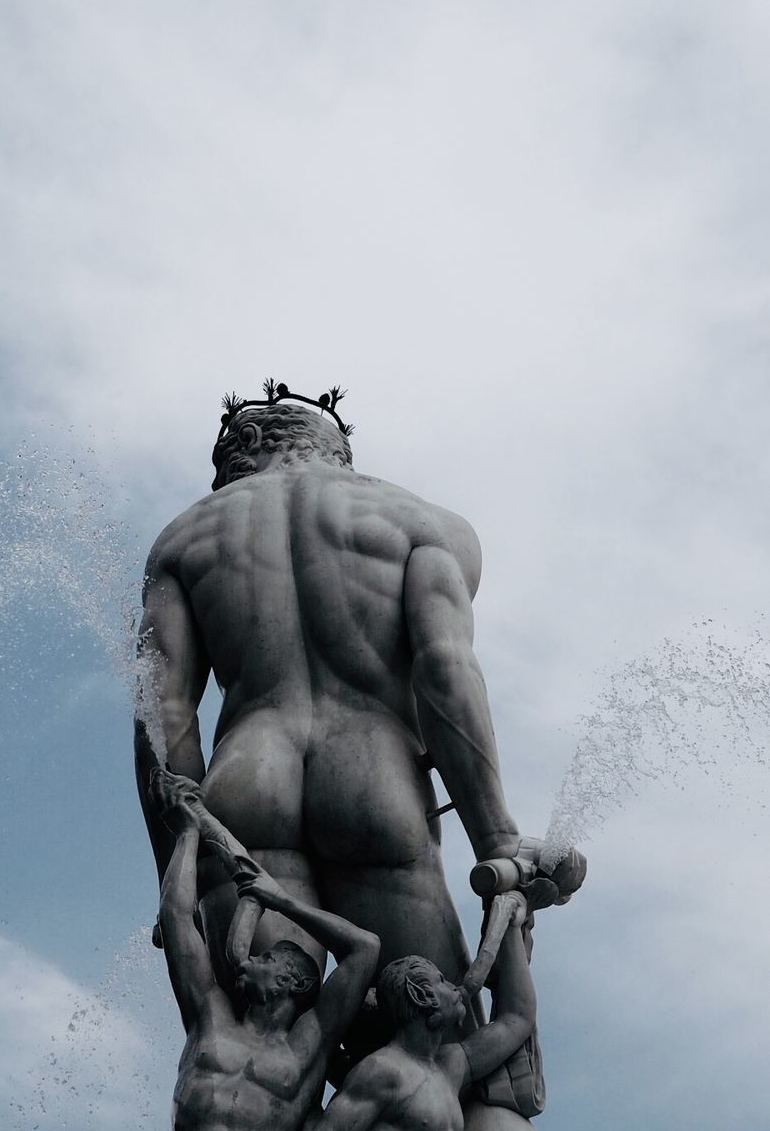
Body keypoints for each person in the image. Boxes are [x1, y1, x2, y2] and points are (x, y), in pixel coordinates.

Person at [135, 387, 584, 996]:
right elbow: (445, 669)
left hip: (246, 782)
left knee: (263, 1047)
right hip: (376, 781)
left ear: (249, 443)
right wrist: (496, 838)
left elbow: (162, 713)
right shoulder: (422, 523)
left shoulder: (183, 539)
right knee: (431, 1048)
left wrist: (177, 879)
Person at [149, 767, 380, 1131]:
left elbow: (365, 948)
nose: (253, 958)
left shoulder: (310, 1043)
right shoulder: (210, 1015)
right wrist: (187, 833)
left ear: (296, 983)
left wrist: (283, 901)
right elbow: (176, 917)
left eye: (268, 958)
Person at [317, 893, 534, 1131]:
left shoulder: (450, 1066)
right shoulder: (381, 1070)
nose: (453, 985)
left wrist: (512, 927)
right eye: (441, 980)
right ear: (420, 996)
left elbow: (516, 1019)